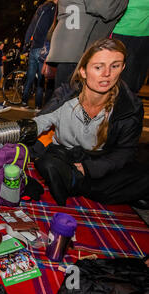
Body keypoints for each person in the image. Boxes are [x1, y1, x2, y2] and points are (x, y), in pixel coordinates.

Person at [32, 38, 149, 208]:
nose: (107, 74)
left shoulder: (130, 107)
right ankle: (95, 188)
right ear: (84, 71)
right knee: (48, 163)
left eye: (115, 66)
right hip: (65, 156)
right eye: (98, 67)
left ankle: (73, 183)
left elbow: (125, 152)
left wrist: (90, 168)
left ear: (122, 67)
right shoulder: (66, 95)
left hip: (100, 162)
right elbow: (39, 122)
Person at [46, 0, 129, 91]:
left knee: (61, 96)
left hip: (69, 47)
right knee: (68, 97)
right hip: (78, 50)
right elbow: (107, 10)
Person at [22, 0, 58, 109]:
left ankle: (24, 102)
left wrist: (25, 46)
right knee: (41, 80)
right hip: (43, 48)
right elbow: (52, 30)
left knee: (30, 77)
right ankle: (38, 105)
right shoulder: (53, 9)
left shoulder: (40, 8)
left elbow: (31, 27)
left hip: (33, 47)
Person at [112, 0, 149, 94]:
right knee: (119, 77)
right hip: (121, 33)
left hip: (145, 36)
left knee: (137, 80)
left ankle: (129, 104)